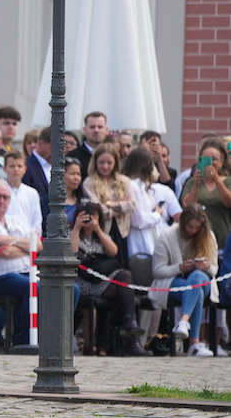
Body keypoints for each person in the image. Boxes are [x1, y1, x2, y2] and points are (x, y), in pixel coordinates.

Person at [71, 202, 149, 356]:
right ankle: (129, 332)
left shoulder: (101, 235)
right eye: (85, 216)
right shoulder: (72, 233)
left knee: (124, 277)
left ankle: (129, 325)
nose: (89, 219)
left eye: (93, 216)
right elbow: (71, 252)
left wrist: (97, 229)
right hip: (82, 282)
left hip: (102, 280)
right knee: (123, 292)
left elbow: (114, 251)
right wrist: (77, 227)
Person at [0, 181, 41, 348]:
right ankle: (22, 341)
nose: (1, 201)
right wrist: (26, 247)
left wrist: (11, 240)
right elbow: (4, 253)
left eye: (5, 197)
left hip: (27, 272)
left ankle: (54, 340)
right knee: (33, 288)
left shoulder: (17, 220)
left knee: (69, 289)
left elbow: (38, 245)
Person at [148, 205, 218, 357]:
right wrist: (179, 268)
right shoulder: (167, 235)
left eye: (197, 228)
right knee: (195, 290)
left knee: (198, 277)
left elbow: (214, 270)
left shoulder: (208, 236)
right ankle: (194, 343)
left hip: (201, 281)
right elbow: (157, 271)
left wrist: (205, 266)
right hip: (173, 283)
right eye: (190, 227)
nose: (193, 231)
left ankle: (183, 321)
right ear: (182, 223)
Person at [83, 144, 134, 267]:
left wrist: (109, 205)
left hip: (122, 231)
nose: (105, 166)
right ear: (95, 162)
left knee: (122, 267)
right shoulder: (89, 183)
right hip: (102, 230)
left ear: (115, 163)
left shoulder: (124, 181)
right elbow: (98, 210)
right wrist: (119, 207)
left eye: (109, 162)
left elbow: (131, 205)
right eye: (101, 162)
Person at [180, 138, 231, 253]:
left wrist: (217, 180)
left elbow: (229, 203)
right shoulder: (192, 182)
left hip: (223, 241)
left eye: (214, 159)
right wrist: (196, 185)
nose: (210, 163)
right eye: (206, 159)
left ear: (222, 162)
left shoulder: (228, 182)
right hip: (197, 242)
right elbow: (187, 207)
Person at [124, 148, 165, 257]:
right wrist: (157, 214)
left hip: (149, 237)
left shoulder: (142, 185)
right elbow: (138, 220)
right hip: (140, 240)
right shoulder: (133, 186)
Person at [3, 151, 42, 236]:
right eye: (11, 166)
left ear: (25, 169)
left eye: (19, 166)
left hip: (27, 240)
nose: (16, 169)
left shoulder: (32, 193)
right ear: (4, 169)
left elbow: (36, 221)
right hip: (5, 239)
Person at [23, 126, 52, 232]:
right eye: (53, 147)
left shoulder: (59, 166)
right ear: (40, 143)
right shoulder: (26, 167)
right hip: (36, 230)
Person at [68, 111, 108, 180]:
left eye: (100, 127)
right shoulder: (73, 156)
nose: (96, 130)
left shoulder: (114, 155)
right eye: (92, 127)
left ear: (106, 130)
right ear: (85, 130)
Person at [63, 157, 83, 225]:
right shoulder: (49, 201)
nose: (76, 178)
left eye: (78, 174)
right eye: (72, 174)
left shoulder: (81, 201)